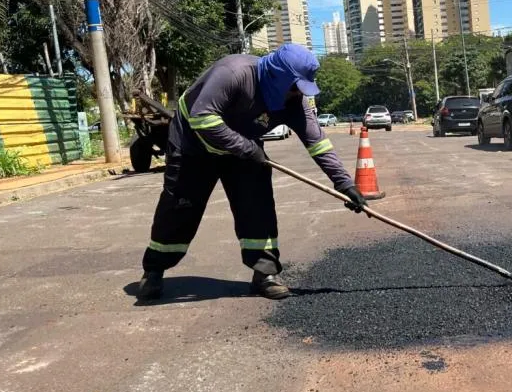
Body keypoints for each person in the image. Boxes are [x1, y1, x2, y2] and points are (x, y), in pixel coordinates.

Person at [137, 44, 366, 300]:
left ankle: (264, 274)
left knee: (258, 205)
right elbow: (202, 119)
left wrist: (345, 185)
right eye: (295, 87)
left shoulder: (295, 103)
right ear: (278, 77)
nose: (297, 95)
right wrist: (246, 148)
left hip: (243, 147)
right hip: (194, 145)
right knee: (180, 206)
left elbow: (318, 143)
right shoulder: (233, 73)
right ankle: (154, 270)